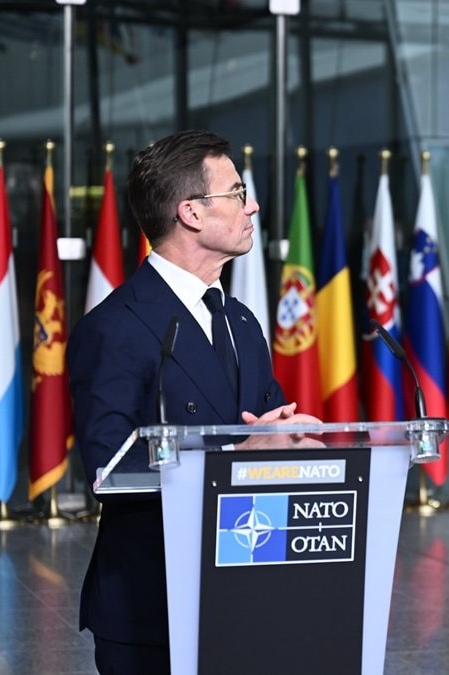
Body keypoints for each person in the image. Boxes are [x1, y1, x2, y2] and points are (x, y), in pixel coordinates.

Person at [69, 130, 318, 674]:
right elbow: (108, 472)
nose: (252, 206)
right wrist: (235, 456)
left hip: (249, 593)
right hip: (153, 606)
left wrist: (294, 438)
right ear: (191, 212)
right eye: (237, 192)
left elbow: (265, 426)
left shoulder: (241, 322)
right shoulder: (114, 328)